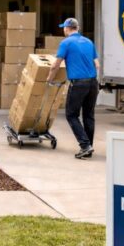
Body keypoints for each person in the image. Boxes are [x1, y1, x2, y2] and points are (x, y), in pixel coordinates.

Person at [46, 18, 100, 159]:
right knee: (88, 115)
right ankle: (89, 147)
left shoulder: (66, 43)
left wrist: (49, 79)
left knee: (71, 115)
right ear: (77, 28)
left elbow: (56, 65)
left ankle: (85, 145)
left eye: (63, 28)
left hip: (79, 84)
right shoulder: (89, 42)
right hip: (93, 83)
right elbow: (97, 64)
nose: (63, 30)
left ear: (67, 28)